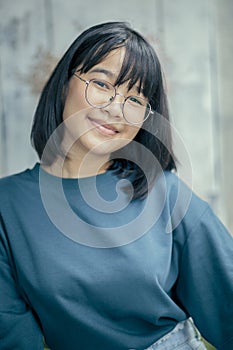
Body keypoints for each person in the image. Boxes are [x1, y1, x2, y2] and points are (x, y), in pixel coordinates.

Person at [0, 21, 232, 350]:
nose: (114, 108)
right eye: (102, 84)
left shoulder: (165, 193)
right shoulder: (7, 206)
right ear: (64, 83)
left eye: (135, 100)